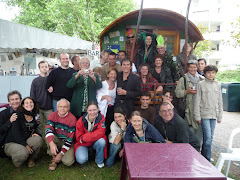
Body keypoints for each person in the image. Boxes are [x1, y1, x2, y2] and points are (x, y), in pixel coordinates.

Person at [194, 65, 223, 162]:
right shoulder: (201, 84)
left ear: (215, 74)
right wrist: (197, 115)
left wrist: (220, 116)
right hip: (204, 114)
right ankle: (207, 159)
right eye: (209, 73)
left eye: (213, 73)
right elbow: (197, 101)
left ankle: (204, 155)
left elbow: (220, 102)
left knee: (210, 137)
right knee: (207, 137)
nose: (211, 75)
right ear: (205, 74)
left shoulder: (217, 85)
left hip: (214, 114)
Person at [4, 97, 43, 167]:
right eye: (27, 103)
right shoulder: (17, 115)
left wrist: (36, 134)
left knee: (38, 139)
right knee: (23, 152)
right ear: (23, 105)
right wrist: (26, 146)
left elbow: (33, 129)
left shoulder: (35, 116)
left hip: (24, 140)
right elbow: (16, 134)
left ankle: (31, 158)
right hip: (12, 142)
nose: (29, 104)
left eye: (31, 102)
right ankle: (18, 161)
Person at [175, 60, 204, 145]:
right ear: (188, 68)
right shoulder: (183, 79)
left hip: (200, 108)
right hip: (188, 109)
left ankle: (198, 150)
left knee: (199, 131)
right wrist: (187, 91)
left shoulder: (202, 79)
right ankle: (189, 150)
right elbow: (177, 93)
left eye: (194, 67)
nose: (193, 69)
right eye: (191, 67)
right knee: (190, 131)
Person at [45, 98, 77, 171]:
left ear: (68, 108)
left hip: (67, 141)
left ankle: (59, 155)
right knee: (49, 136)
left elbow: (70, 139)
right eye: (60, 106)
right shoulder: (52, 115)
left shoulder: (72, 119)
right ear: (57, 107)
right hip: (57, 139)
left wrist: (61, 153)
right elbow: (48, 129)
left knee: (68, 162)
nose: (62, 109)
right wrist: (51, 143)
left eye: (65, 107)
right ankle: (54, 159)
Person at [75, 102, 107, 168]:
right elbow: (79, 138)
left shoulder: (101, 118)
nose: (92, 112)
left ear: (98, 109)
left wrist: (85, 137)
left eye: (94, 110)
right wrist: (90, 138)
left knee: (102, 141)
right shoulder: (80, 120)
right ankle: (89, 153)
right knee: (81, 160)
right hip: (83, 144)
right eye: (90, 110)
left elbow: (101, 132)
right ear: (87, 110)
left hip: (93, 142)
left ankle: (99, 161)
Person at [30, 60, 53, 136]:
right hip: (38, 108)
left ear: (48, 68)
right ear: (39, 68)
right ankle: (42, 143)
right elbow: (32, 95)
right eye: (42, 67)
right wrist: (34, 108)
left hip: (49, 107)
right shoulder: (35, 81)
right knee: (39, 126)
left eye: (46, 66)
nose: (44, 68)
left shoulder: (52, 79)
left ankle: (49, 144)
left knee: (50, 126)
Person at [0, 90, 22, 158]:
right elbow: (0, 130)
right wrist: (9, 121)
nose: (15, 101)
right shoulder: (3, 114)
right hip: (7, 142)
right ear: (9, 102)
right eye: (12, 100)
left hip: (22, 139)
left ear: (20, 100)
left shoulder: (25, 112)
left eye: (17, 99)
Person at [96, 68, 117, 135]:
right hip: (103, 108)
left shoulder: (117, 84)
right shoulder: (103, 84)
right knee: (103, 126)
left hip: (112, 108)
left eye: (114, 74)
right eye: (111, 74)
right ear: (108, 75)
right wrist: (105, 96)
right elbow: (98, 96)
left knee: (111, 126)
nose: (113, 76)